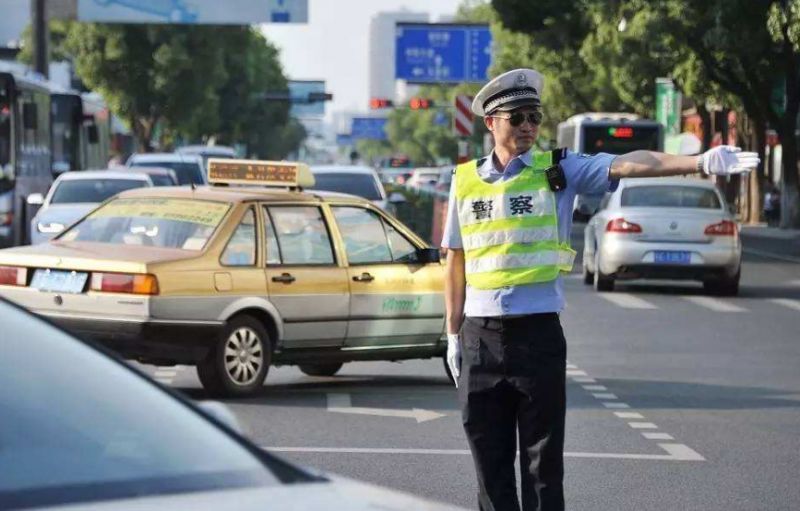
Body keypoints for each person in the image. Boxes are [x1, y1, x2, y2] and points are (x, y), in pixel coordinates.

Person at [442, 68, 758, 511]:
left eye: (535, 116)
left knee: (542, 468)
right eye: (517, 118)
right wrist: (453, 334)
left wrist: (700, 161)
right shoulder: (464, 181)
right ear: (491, 122)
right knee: (489, 468)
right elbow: (454, 259)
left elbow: (630, 162)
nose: (529, 126)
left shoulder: (559, 169)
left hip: (537, 335)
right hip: (479, 339)